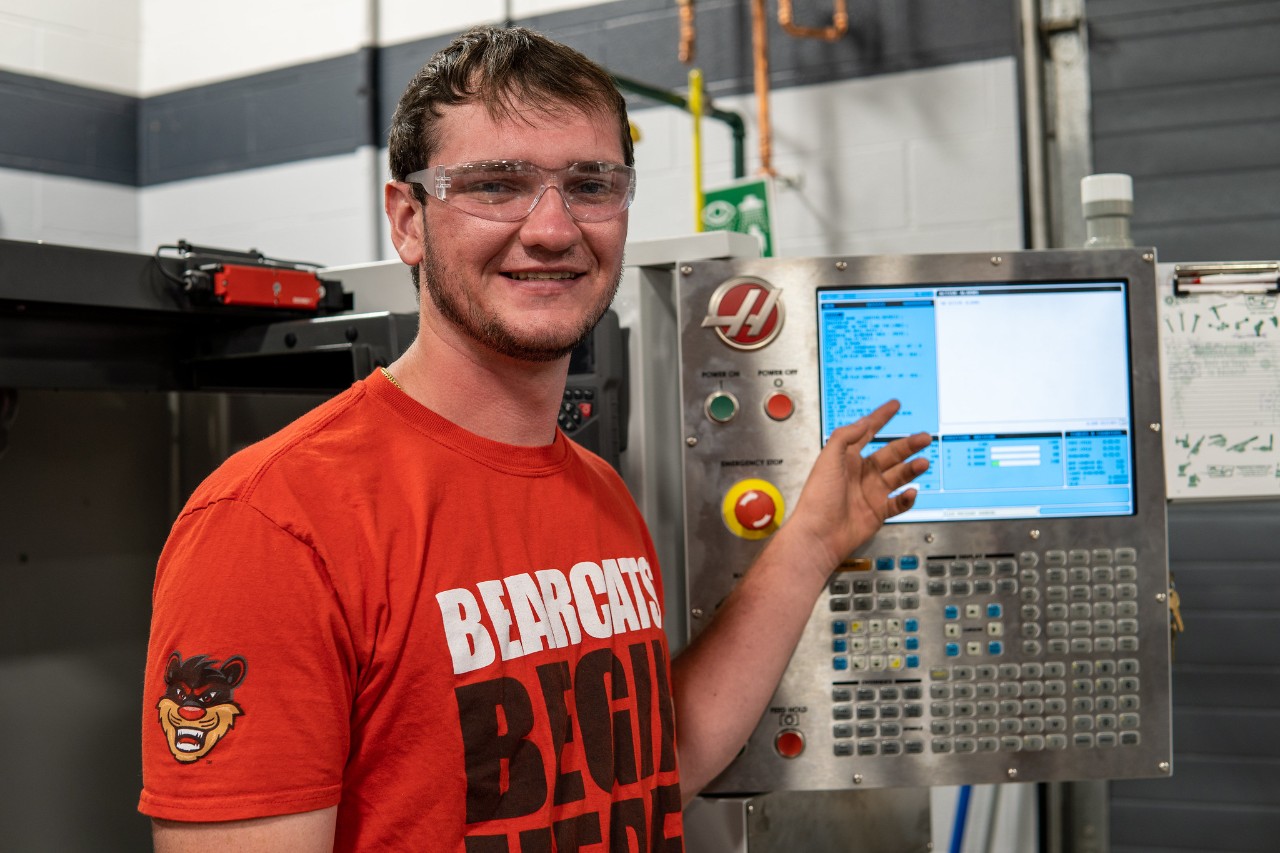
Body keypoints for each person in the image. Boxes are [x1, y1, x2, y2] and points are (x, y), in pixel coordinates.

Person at [139, 24, 931, 852]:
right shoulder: (273, 525)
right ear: (408, 219)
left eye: (591, 185)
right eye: (495, 185)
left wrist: (809, 542)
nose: (553, 229)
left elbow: (655, 767)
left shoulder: (597, 492)